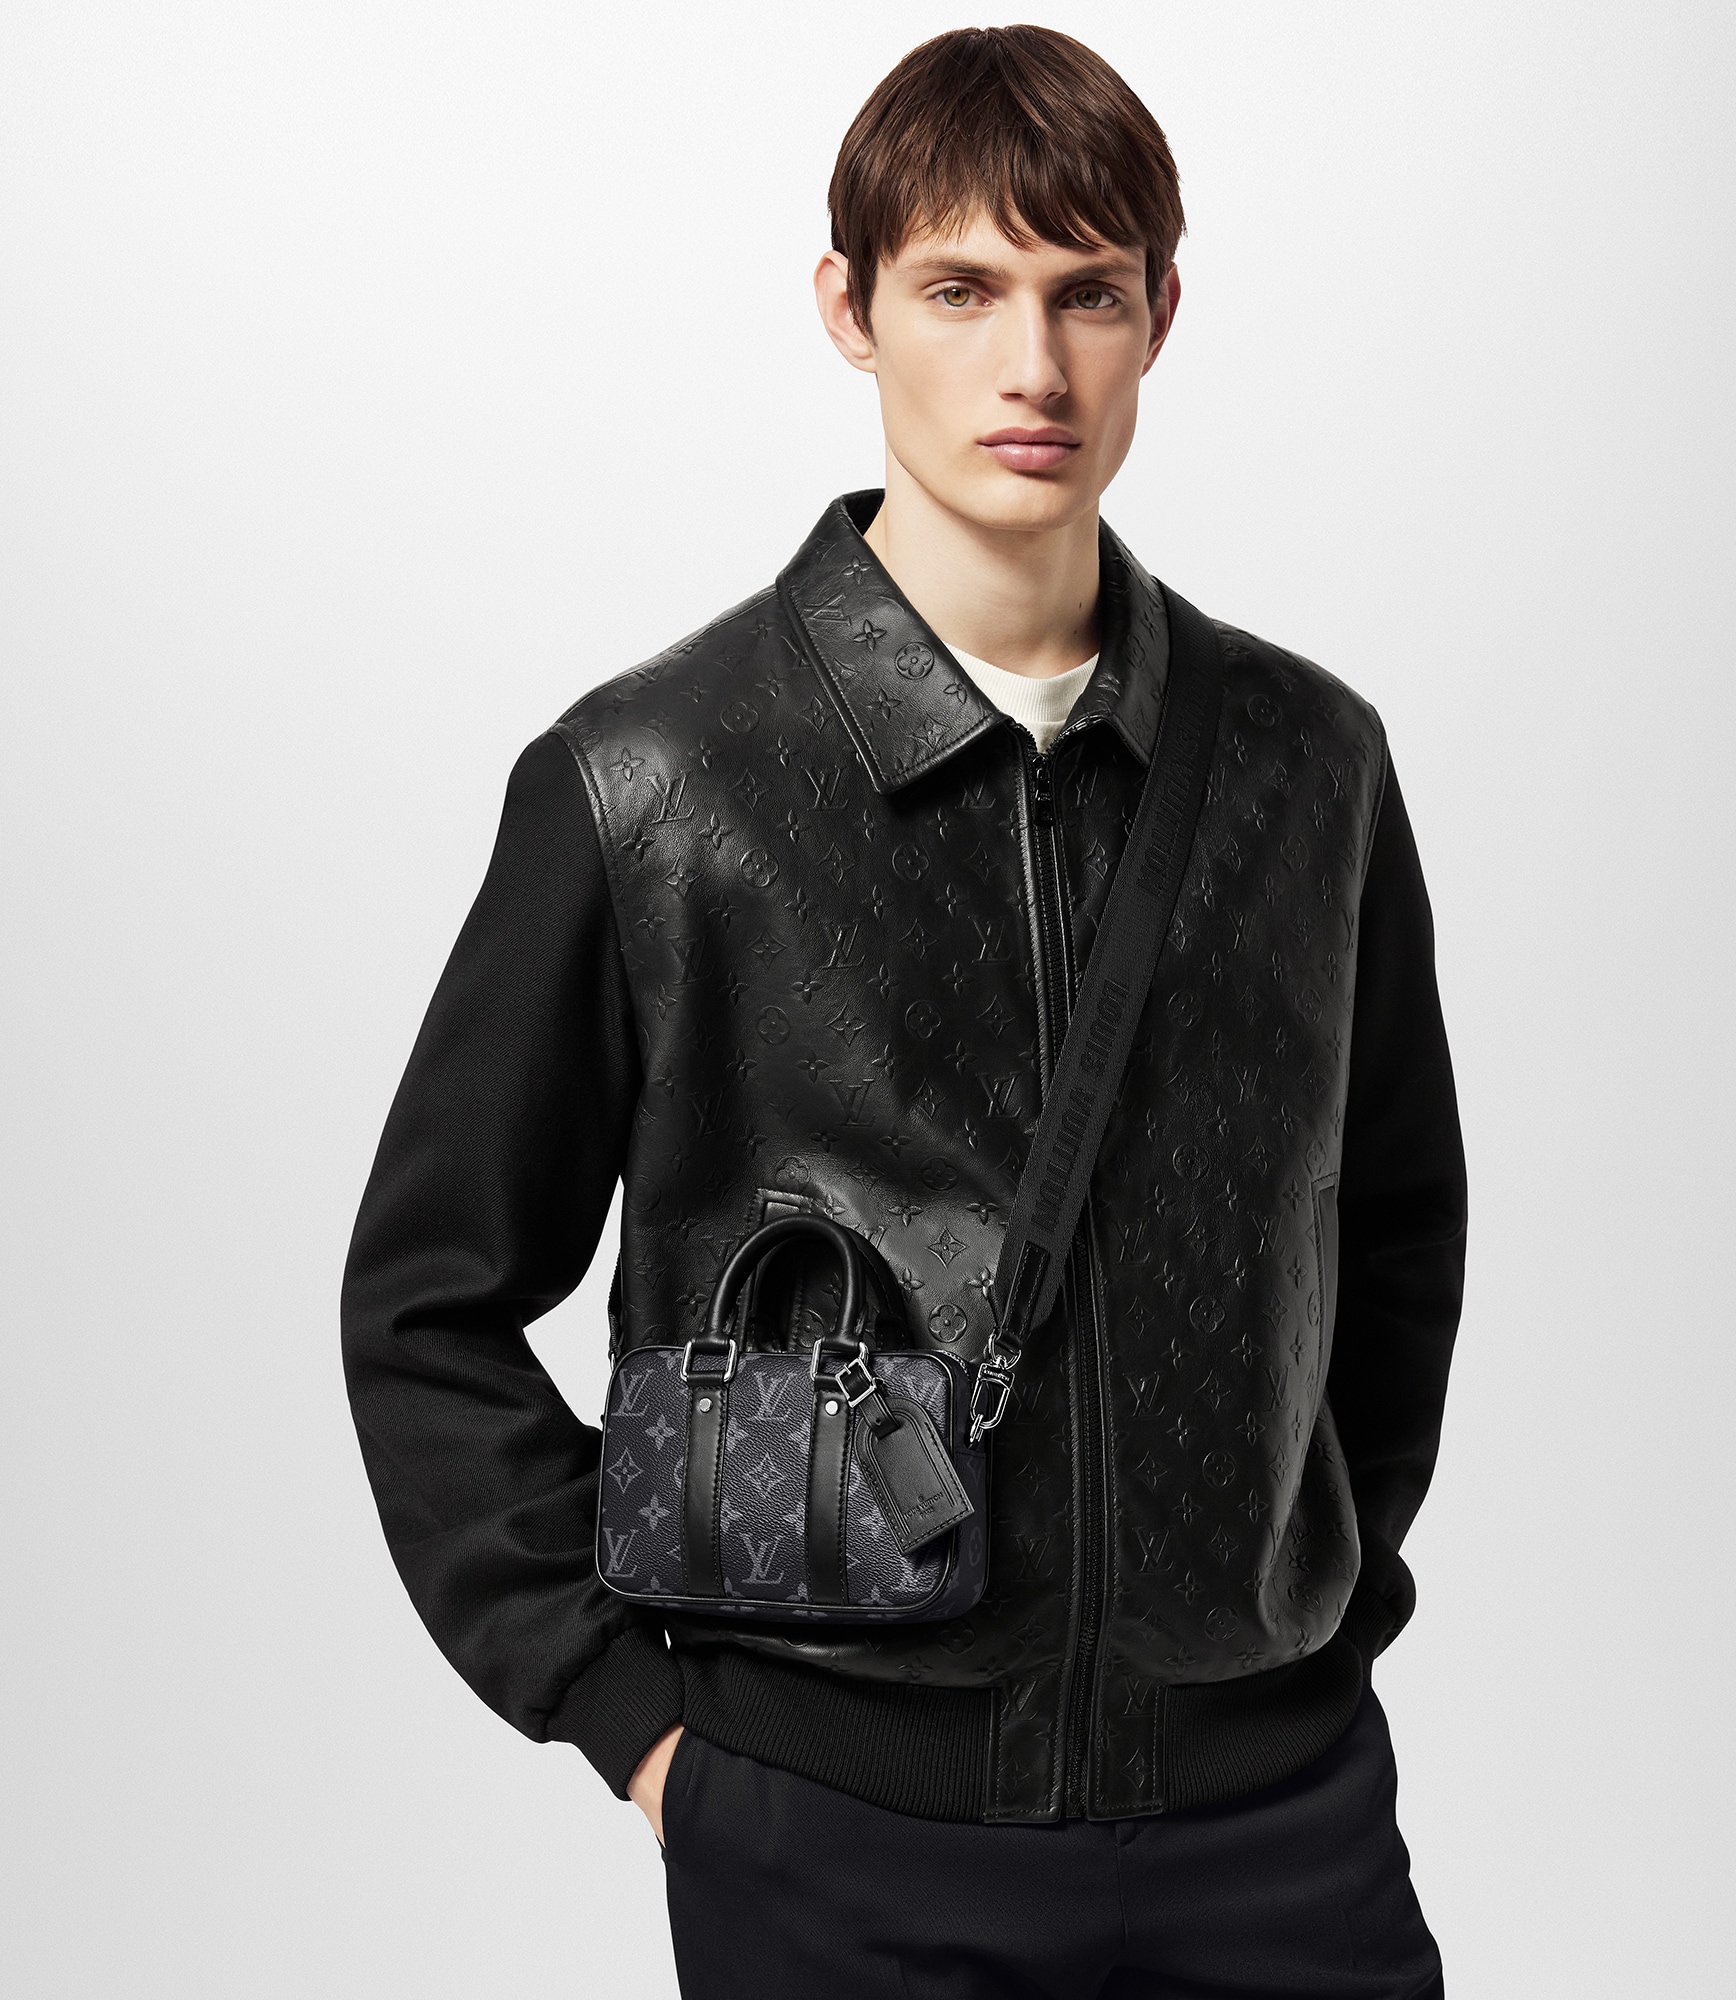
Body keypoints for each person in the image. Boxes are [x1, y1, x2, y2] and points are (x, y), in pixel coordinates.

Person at [342, 24, 1465, 1996]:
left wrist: (1323, 1608)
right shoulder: (657, 781)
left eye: (1087, 293)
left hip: (1281, 1821)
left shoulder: (1308, 764)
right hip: (834, 1832)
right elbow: (426, 1302)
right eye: (960, 290)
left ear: (1161, 315)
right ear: (847, 309)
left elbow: (1392, 1234)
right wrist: (639, 1727)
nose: (1033, 369)